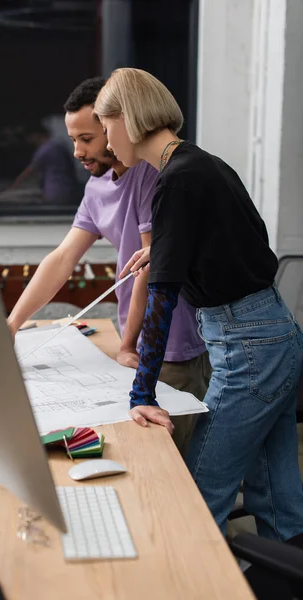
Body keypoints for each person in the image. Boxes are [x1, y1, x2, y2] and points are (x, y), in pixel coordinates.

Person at [94, 67, 303, 539]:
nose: (108, 144)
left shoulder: (176, 181)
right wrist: (167, 246)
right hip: (273, 334)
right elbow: (245, 243)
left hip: (247, 347)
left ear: (127, 119)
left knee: (193, 495)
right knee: (276, 495)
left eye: (106, 129)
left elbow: (162, 300)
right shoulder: (200, 163)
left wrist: (141, 395)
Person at [7, 77, 211, 456]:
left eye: (86, 139)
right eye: (72, 140)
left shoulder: (151, 175)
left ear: (113, 126)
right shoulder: (96, 187)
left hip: (169, 345)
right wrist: (13, 323)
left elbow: (150, 272)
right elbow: (62, 258)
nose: (76, 152)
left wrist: (129, 343)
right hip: (132, 341)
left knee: (167, 466)